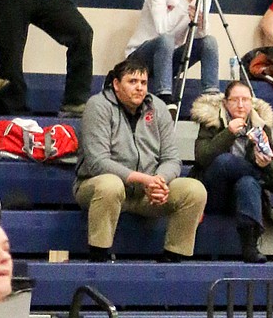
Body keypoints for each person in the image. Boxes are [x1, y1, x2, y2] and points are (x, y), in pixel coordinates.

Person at [74, 57, 208, 262]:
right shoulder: (98, 105)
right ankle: (99, 254)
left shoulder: (159, 108)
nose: (139, 88)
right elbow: (97, 162)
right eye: (132, 82)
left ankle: (173, 256)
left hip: (147, 193)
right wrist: (144, 179)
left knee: (194, 190)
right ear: (116, 85)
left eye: (143, 83)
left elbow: (172, 158)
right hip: (97, 188)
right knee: (110, 184)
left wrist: (159, 181)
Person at [190, 78, 273, 264]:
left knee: (248, 183)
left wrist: (265, 163)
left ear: (252, 102)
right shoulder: (211, 121)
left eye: (246, 99)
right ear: (225, 103)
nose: (241, 105)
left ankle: (250, 247)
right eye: (235, 100)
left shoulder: (260, 127)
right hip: (214, 191)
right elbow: (202, 157)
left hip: (240, 196)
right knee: (225, 161)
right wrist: (228, 133)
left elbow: (270, 158)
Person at [126, 0, 221, 111]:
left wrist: (200, 23)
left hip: (172, 57)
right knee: (166, 40)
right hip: (141, 55)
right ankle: (164, 96)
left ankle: (211, 98)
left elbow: (202, 35)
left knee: (210, 41)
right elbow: (162, 29)